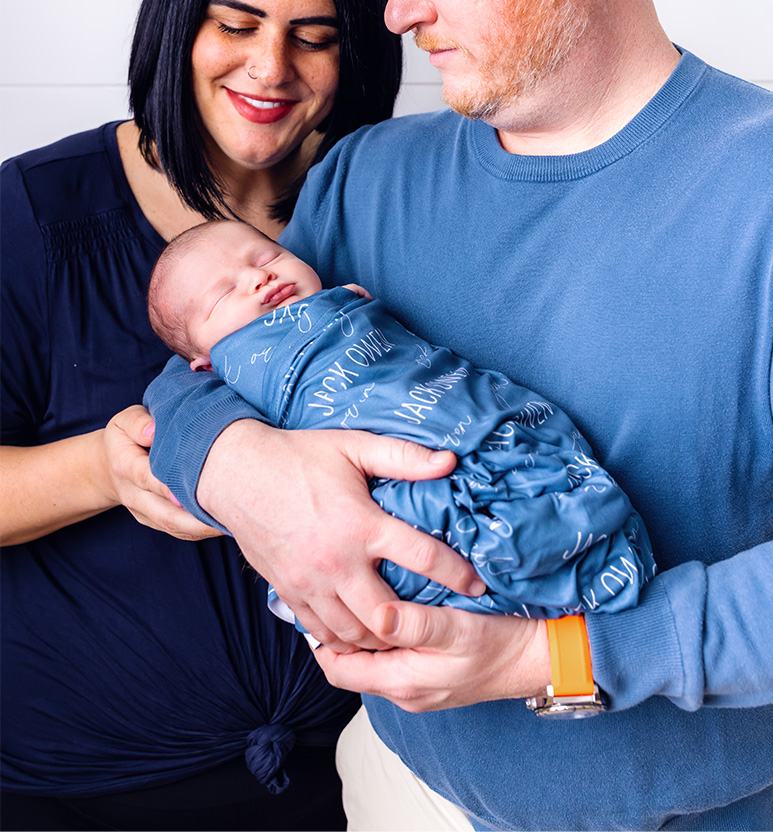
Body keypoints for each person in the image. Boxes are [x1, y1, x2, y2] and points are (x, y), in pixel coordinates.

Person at [136, 0, 773, 832]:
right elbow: (197, 369)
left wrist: (542, 658)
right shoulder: (365, 176)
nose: (391, 12)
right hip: (407, 794)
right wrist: (238, 465)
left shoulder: (771, 191)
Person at [0, 0, 409, 831]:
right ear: (177, 22)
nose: (270, 70)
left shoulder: (372, 215)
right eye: (236, 26)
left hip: (317, 784)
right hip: (70, 798)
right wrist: (104, 469)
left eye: (314, 38)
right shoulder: (33, 216)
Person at [147, 216, 657, 622]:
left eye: (268, 256)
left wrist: (342, 310)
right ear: (208, 367)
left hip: (465, 414)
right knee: (420, 538)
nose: (260, 276)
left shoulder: (340, 293)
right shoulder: (229, 380)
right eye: (223, 293)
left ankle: (566, 560)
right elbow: (174, 401)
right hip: (391, 481)